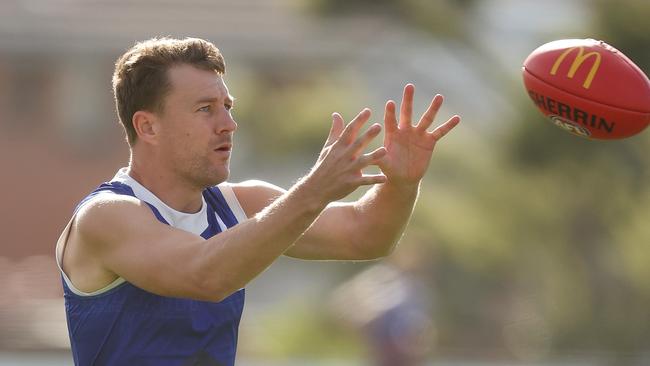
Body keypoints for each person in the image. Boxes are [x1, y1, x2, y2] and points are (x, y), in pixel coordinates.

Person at [55, 37, 460, 366]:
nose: (228, 123)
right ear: (148, 126)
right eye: (205, 109)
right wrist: (314, 190)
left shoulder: (240, 204)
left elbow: (364, 235)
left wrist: (400, 183)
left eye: (227, 107)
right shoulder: (106, 216)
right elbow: (205, 276)